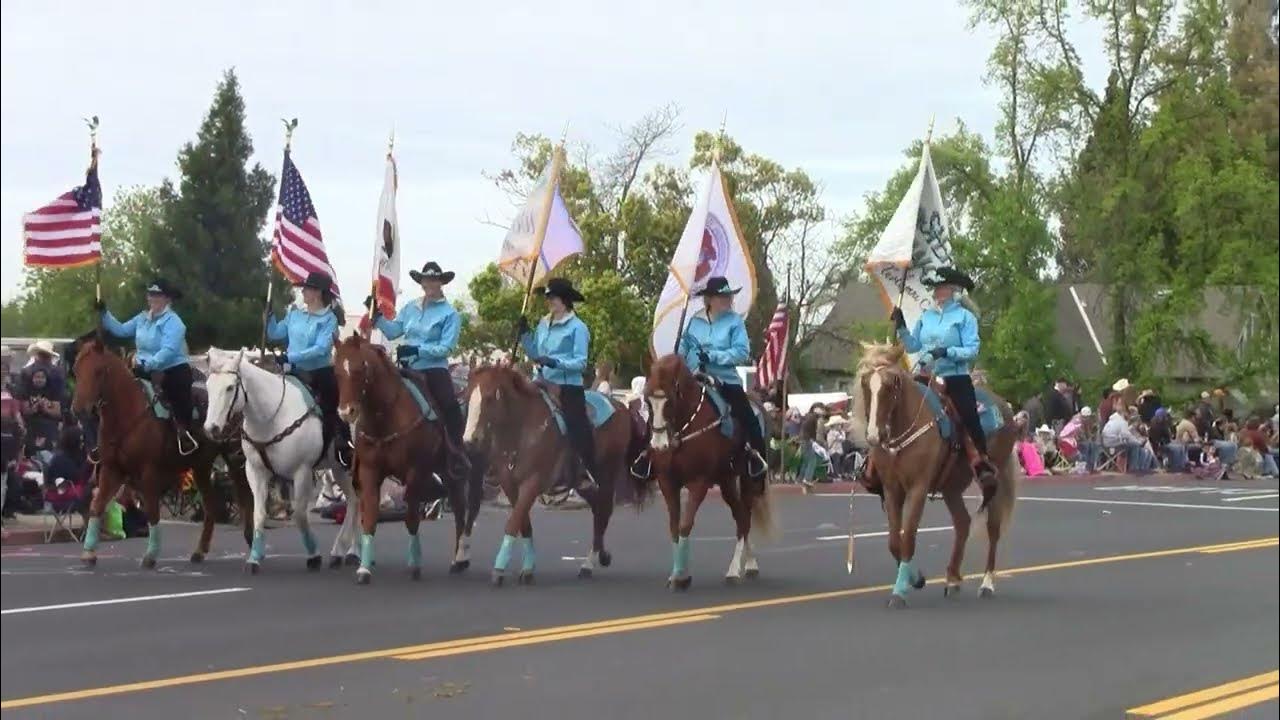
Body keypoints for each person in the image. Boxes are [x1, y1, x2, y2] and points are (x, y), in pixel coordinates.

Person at [892, 266, 996, 496]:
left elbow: (971, 350)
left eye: (941, 287)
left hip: (954, 376)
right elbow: (914, 347)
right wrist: (901, 327)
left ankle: (982, 460)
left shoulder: (965, 317)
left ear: (953, 290)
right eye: (935, 288)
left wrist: (946, 352)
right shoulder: (926, 316)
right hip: (925, 373)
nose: (937, 291)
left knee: (968, 413)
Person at [373, 262, 467, 475]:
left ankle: (456, 452)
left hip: (434, 369)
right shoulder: (410, 307)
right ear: (421, 282)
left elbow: (446, 347)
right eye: (426, 280)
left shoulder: (450, 314)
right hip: (407, 368)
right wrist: (377, 318)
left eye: (434, 280)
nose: (429, 284)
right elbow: (394, 331)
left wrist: (417, 350)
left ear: (441, 282)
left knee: (449, 405)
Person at [678, 276, 768, 483]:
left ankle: (757, 463)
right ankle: (651, 456)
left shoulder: (734, 321)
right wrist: (678, 355)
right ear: (709, 299)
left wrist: (714, 356)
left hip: (724, 379)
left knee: (749, 419)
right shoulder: (694, 321)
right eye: (723, 296)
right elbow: (684, 346)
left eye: (729, 296)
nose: (728, 300)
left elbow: (742, 352)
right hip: (694, 377)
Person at [516, 277, 597, 492]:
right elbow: (535, 354)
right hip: (541, 380)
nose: (549, 301)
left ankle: (583, 472)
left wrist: (556, 362)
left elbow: (581, 362)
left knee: (576, 424)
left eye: (553, 297)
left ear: (565, 300)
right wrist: (524, 335)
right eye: (548, 297)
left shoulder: (578, 327)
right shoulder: (543, 323)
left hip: (568, 385)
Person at [98, 279, 197, 451]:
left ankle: (184, 434)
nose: (151, 298)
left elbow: (169, 350)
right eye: (150, 294)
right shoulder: (142, 318)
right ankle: (109, 436)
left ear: (167, 299)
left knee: (179, 396)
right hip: (142, 368)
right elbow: (121, 330)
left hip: (171, 369)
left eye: (156, 295)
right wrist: (104, 313)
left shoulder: (175, 323)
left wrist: (149, 364)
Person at [265, 271, 349, 467]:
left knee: (332, 406)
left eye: (307, 289)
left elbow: (321, 349)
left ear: (318, 293)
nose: (303, 292)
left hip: (319, 372)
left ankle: (342, 444)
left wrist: (290, 356)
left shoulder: (329, 320)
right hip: (293, 370)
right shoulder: (295, 314)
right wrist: (269, 317)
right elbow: (275, 333)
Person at [20, 368, 62, 458]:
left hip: (49, 427)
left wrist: (45, 409)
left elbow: (57, 413)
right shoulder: (26, 391)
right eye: (37, 377)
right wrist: (34, 408)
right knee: (31, 453)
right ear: (32, 378)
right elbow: (25, 412)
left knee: (48, 455)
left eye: (42, 377)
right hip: (32, 426)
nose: (39, 379)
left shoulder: (53, 392)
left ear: (46, 379)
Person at [1103, 404, 1153, 472]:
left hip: (1107, 442)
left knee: (1133, 445)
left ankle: (1137, 466)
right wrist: (1137, 442)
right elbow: (1126, 435)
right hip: (1114, 444)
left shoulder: (1112, 420)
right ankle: (1134, 467)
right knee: (1135, 446)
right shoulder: (1122, 421)